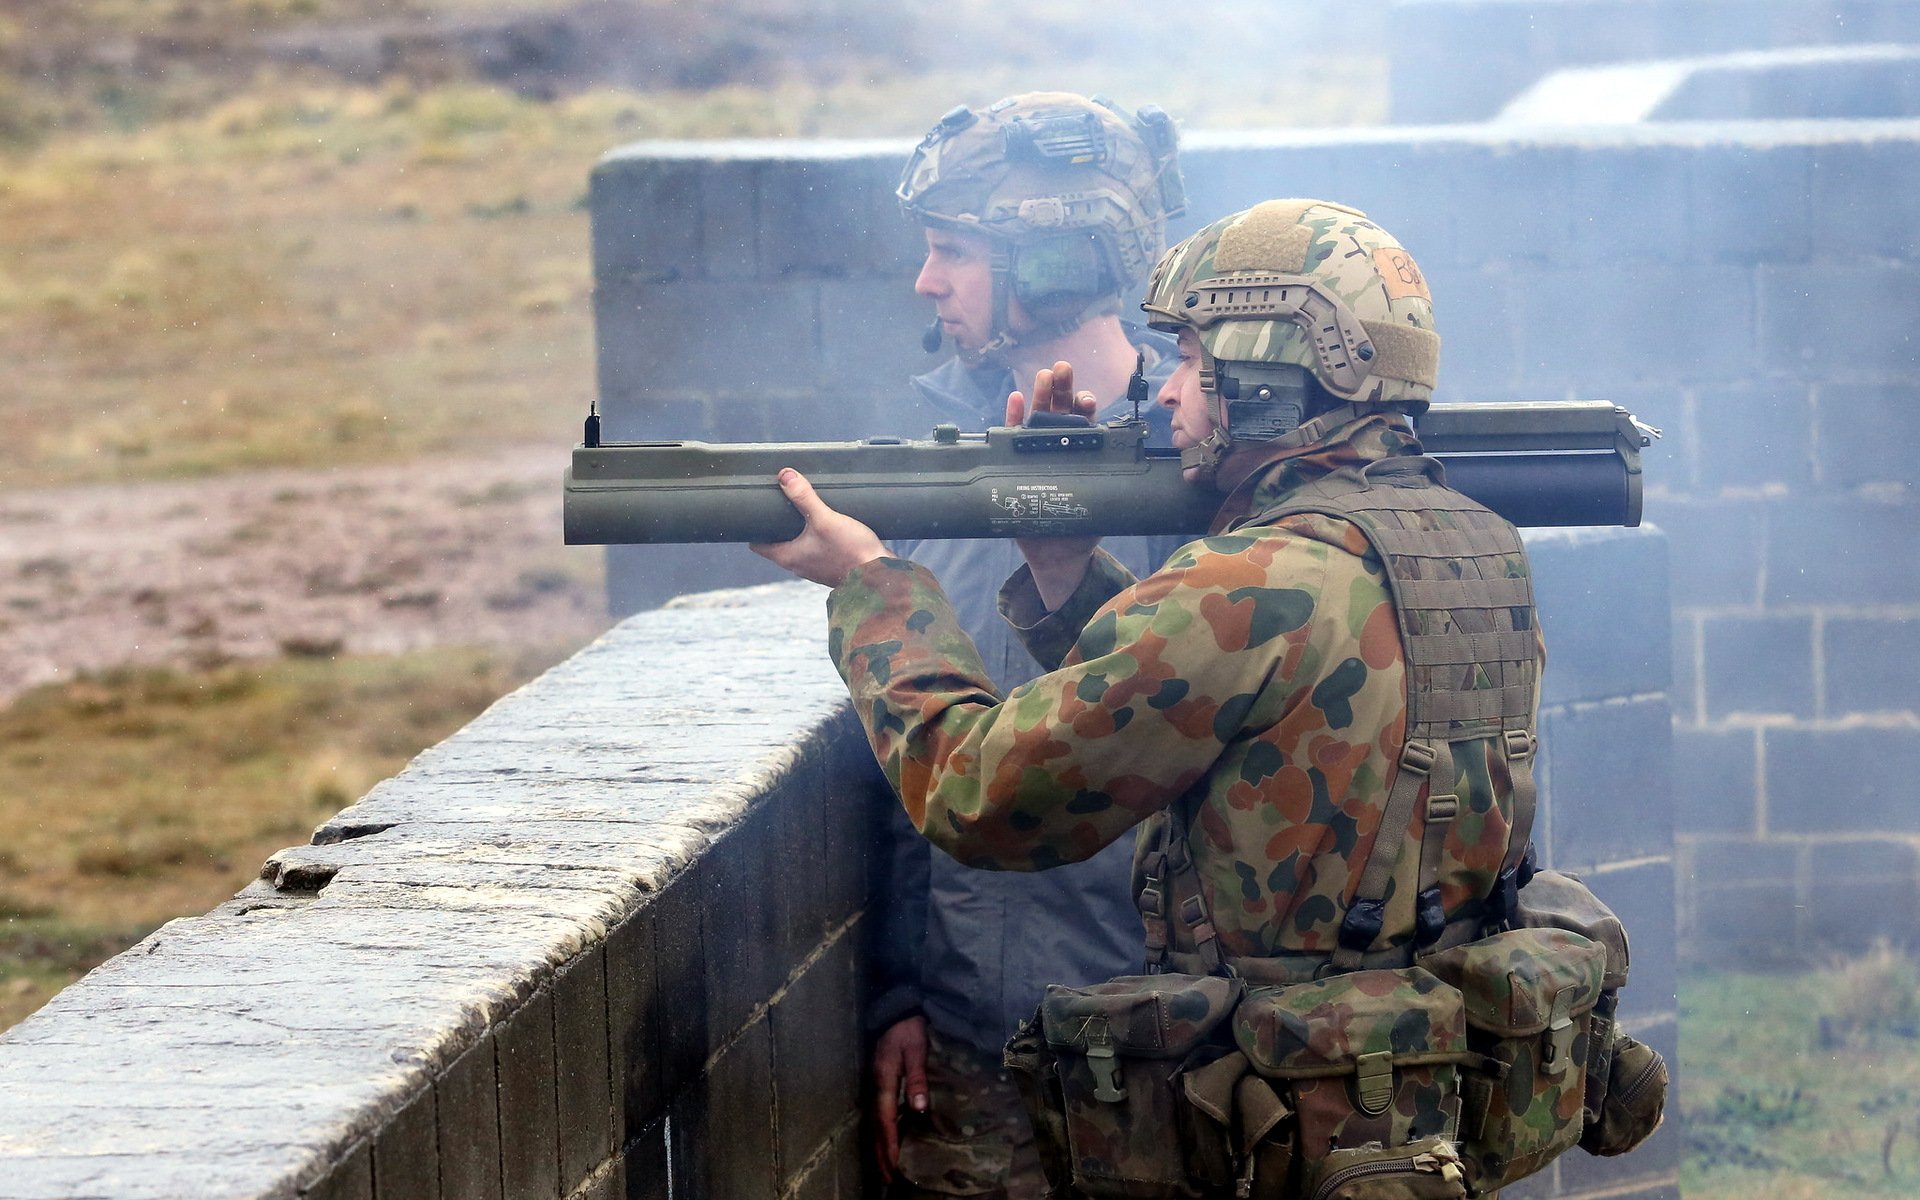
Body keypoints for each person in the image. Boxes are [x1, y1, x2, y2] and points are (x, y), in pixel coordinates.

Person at [757, 199, 1569, 1191]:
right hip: (1408, 1121)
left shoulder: (1251, 582)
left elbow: (981, 798)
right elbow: (1257, 722)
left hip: (1265, 1129)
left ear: (1264, 383)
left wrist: (873, 587)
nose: (1172, 394)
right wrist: (1064, 569)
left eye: (1190, 361)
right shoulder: (1472, 547)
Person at [866, 92, 1188, 1200]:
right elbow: (918, 763)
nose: (927, 282)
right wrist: (900, 995)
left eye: (953, 250)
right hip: (976, 1054)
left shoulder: (1211, 478)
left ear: (1051, 264)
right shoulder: (938, 473)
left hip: (1173, 1062)